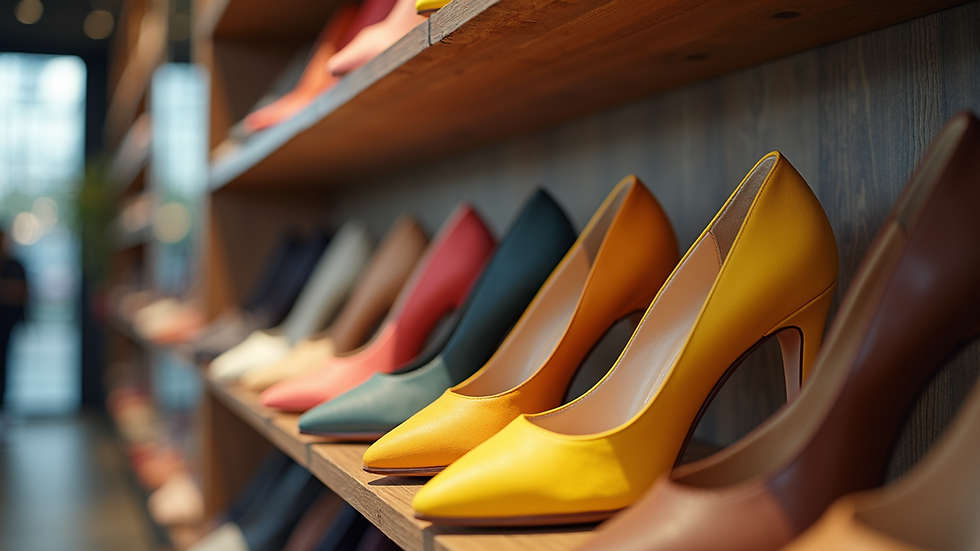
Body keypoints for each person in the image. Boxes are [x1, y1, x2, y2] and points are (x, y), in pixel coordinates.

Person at [0, 229, 28, 423]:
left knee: (4, 366)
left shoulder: (15, 264)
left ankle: (3, 408)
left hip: (8, 325)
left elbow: (23, 293)